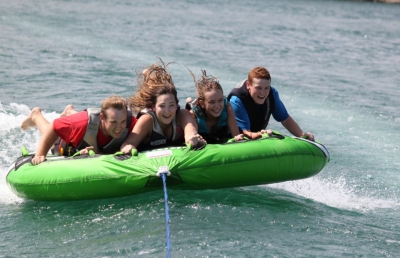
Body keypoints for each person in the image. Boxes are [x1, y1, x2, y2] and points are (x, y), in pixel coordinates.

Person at [21, 96, 137, 165]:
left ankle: (70, 112)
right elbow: (54, 126)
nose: (119, 127)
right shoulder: (81, 123)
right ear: (102, 118)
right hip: (69, 142)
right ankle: (36, 115)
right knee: (54, 142)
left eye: (122, 122)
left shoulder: (130, 121)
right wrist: (40, 154)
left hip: (84, 125)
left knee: (80, 124)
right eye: (113, 122)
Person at [120, 61, 206, 153]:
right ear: (153, 107)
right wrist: (128, 148)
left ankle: (152, 79)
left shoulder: (182, 115)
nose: (167, 111)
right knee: (151, 92)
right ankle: (149, 78)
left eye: (171, 105)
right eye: (162, 106)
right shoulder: (147, 120)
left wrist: (192, 138)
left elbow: (190, 132)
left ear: (177, 105)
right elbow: (128, 143)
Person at [228, 66, 315, 141]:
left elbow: (285, 120)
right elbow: (246, 133)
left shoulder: (272, 94)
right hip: (235, 138)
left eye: (266, 88)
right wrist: (260, 135)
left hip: (257, 135)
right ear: (248, 85)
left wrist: (302, 135)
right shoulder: (237, 100)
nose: (263, 93)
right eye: (258, 88)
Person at [185, 70, 243, 143]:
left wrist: (237, 139)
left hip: (219, 137)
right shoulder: (194, 115)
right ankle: (189, 100)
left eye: (220, 100)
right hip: (205, 138)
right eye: (212, 102)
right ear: (202, 103)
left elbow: (236, 135)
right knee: (190, 104)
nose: (217, 106)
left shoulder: (227, 106)